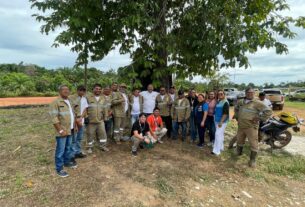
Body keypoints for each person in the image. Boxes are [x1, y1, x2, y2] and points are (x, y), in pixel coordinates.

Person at [235, 88, 272, 167]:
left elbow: (269, 111)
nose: (250, 94)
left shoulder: (257, 103)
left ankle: (252, 160)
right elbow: (236, 109)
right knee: (240, 140)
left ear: (254, 94)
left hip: (251, 127)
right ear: (245, 93)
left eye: (252, 93)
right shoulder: (240, 102)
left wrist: (259, 118)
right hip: (241, 126)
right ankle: (239, 152)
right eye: (248, 93)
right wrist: (237, 117)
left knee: (253, 143)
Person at [49, 85, 77, 177]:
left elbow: (73, 114)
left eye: (67, 89)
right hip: (62, 131)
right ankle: (59, 169)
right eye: (64, 89)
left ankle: (66, 162)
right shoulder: (55, 102)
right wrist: (60, 130)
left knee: (68, 148)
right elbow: (54, 118)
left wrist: (75, 125)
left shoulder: (69, 101)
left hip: (70, 129)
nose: (66, 91)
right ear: (59, 91)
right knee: (60, 150)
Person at [86, 84, 109, 153]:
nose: (98, 90)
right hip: (91, 120)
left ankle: (103, 146)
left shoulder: (103, 98)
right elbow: (85, 108)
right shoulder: (88, 97)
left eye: (99, 89)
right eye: (96, 88)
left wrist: (106, 117)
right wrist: (86, 117)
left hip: (100, 120)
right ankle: (89, 147)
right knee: (90, 134)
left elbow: (105, 108)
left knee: (103, 134)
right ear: (93, 89)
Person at [69, 85, 88, 159]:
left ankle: (78, 152)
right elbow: (71, 109)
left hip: (81, 120)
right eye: (80, 90)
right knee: (73, 138)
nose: (82, 92)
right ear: (77, 90)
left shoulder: (84, 98)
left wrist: (81, 117)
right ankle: (72, 154)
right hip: (74, 121)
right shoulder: (71, 98)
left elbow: (85, 109)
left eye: (83, 90)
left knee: (79, 138)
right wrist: (76, 119)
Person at [212, 90, 229, 155]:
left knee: (217, 134)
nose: (220, 95)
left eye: (221, 94)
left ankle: (216, 150)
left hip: (222, 122)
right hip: (217, 120)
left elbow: (225, 114)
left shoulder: (225, 102)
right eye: (219, 94)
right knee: (220, 134)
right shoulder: (219, 101)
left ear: (224, 94)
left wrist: (221, 122)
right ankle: (221, 147)